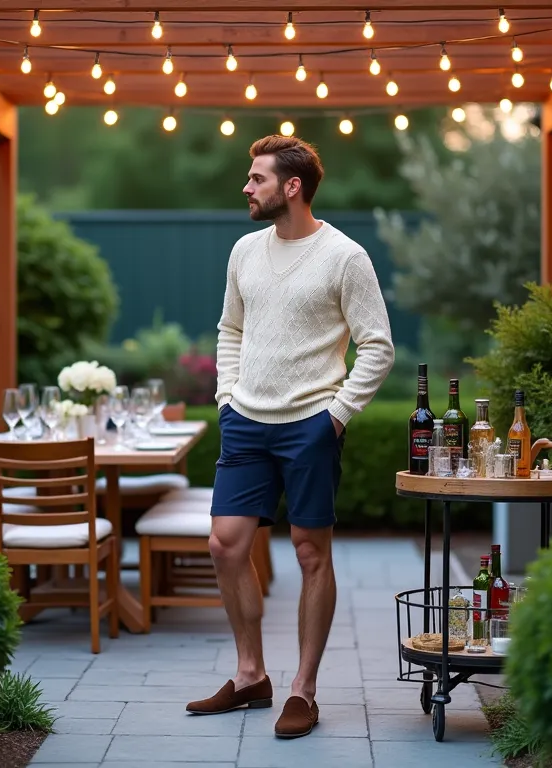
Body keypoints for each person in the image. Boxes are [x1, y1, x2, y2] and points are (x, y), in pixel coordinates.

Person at [184, 135, 395, 738]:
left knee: (310, 552)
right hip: (245, 421)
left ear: (291, 186)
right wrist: (227, 397)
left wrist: (337, 414)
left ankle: (303, 689)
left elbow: (377, 345)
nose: (246, 188)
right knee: (226, 544)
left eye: (256, 178)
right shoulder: (244, 251)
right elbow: (229, 328)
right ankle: (251, 676)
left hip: (311, 423)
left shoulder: (345, 257)